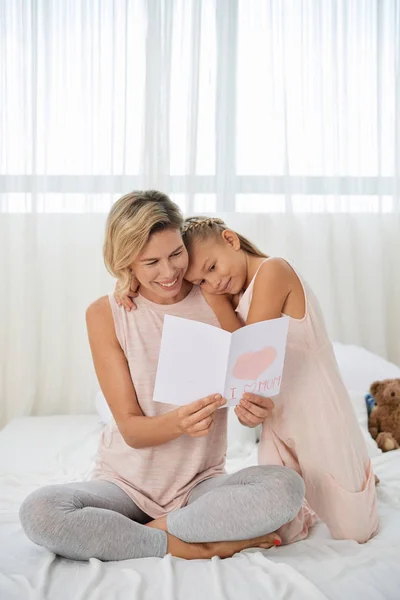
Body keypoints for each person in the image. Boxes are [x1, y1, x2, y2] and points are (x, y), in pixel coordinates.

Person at [19, 191, 305, 562]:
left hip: (200, 487)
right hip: (123, 485)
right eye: (150, 262)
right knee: (41, 512)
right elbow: (132, 430)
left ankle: (144, 536)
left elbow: (250, 376)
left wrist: (251, 407)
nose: (169, 273)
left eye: (175, 254)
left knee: (286, 488)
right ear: (126, 264)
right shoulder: (106, 314)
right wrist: (180, 423)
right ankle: (189, 545)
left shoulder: (217, 296)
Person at [118, 214, 379, 545]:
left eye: (212, 268)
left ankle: (365, 476)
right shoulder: (231, 294)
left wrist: (213, 299)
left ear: (231, 240)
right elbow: (165, 285)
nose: (211, 284)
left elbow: (250, 354)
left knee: (356, 532)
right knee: (279, 528)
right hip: (278, 426)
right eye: (200, 281)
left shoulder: (273, 271)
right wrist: (128, 283)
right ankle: (160, 529)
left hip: (320, 418)